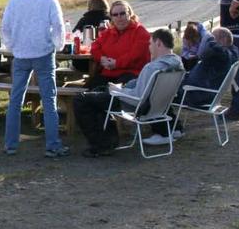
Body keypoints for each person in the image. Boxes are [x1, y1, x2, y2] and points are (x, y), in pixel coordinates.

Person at [75, 28, 184, 157]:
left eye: (150, 43)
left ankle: (103, 144)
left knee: (81, 99)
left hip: (134, 106)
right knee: (98, 92)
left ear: (158, 43)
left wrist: (118, 90)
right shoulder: (177, 64)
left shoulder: (152, 68)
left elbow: (137, 98)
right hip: (158, 108)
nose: (149, 47)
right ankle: (106, 140)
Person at [0, 0, 68, 157]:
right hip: (44, 54)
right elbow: (58, 26)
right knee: (49, 99)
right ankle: (53, 145)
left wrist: (13, 46)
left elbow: (5, 26)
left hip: (20, 55)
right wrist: (58, 45)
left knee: (15, 99)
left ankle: (10, 144)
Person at [141, 27, 239, 145]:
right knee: (165, 87)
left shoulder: (222, 54)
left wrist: (206, 34)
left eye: (213, 38)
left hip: (197, 95)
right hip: (203, 92)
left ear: (222, 41)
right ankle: (175, 129)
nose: (206, 43)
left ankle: (163, 133)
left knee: (159, 92)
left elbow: (212, 46)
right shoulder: (230, 53)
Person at [87, 0, 151, 90]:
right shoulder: (109, 32)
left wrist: (116, 63)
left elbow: (135, 56)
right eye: (115, 15)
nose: (119, 17)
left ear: (130, 14)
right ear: (111, 17)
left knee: (108, 95)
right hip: (108, 74)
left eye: (122, 13)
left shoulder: (140, 32)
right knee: (86, 92)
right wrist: (102, 58)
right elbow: (94, 47)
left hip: (131, 75)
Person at [71, 0, 110, 72]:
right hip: (105, 63)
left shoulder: (84, 20)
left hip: (81, 63)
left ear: (90, 7)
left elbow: (74, 36)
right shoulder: (110, 20)